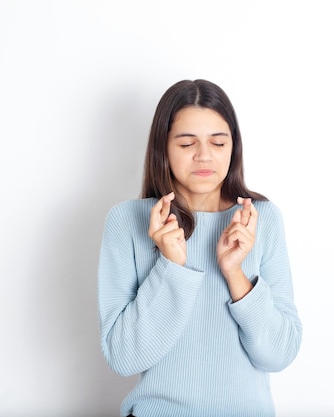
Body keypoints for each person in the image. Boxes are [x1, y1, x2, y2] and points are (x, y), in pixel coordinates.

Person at [97, 79, 302, 417]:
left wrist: (236, 274)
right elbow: (123, 356)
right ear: (163, 148)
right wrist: (171, 266)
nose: (204, 155)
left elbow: (279, 354)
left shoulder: (262, 219)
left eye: (218, 142)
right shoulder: (128, 221)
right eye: (187, 142)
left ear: (233, 148)